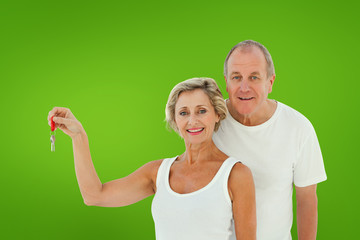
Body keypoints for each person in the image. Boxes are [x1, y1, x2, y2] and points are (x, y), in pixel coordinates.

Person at [47, 77, 256, 240]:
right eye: (183, 113)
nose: (192, 121)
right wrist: (78, 136)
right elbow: (94, 195)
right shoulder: (157, 173)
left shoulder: (236, 174)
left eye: (201, 111)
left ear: (217, 114)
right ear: (174, 119)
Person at [213, 40, 327, 240]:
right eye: (236, 77)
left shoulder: (298, 128)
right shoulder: (210, 123)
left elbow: (306, 199)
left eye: (254, 77)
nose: (244, 87)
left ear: (270, 82)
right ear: (226, 82)